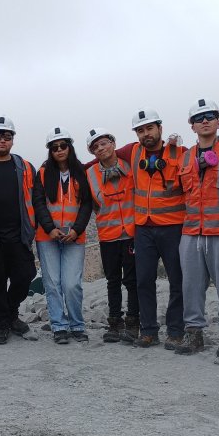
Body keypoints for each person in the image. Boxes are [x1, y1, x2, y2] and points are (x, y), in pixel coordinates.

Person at [175, 98, 219, 360]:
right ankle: (194, 332)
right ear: (192, 126)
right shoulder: (183, 158)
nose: (205, 121)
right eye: (199, 118)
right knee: (191, 284)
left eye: (210, 116)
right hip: (192, 231)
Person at [128, 108, 186, 350]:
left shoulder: (181, 152)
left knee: (177, 281)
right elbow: (105, 155)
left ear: (160, 128)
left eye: (149, 128)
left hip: (173, 228)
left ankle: (176, 330)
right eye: (140, 130)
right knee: (143, 281)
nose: (145, 134)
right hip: (144, 228)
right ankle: (149, 330)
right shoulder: (133, 152)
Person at [32, 127, 92, 344]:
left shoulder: (82, 172)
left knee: (71, 284)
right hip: (48, 237)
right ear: (50, 150)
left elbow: (86, 204)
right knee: (53, 283)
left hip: (74, 237)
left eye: (63, 145)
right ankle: (59, 326)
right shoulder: (43, 173)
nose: (59, 150)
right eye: (54, 147)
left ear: (70, 147)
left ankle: (77, 324)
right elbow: (38, 203)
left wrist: (76, 230)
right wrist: (50, 228)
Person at [0, 116, 37, 345]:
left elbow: (36, 197)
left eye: (7, 136)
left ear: (13, 140)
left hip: (19, 235)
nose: (2, 141)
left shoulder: (24, 166)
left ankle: (10, 312)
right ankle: (3, 322)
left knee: (25, 276)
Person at [84, 128, 138, 343]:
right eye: (95, 147)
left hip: (132, 233)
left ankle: (134, 322)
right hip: (108, 235)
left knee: (132, 281)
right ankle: (115, 322)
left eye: (104, 143)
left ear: (113, 144)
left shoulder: (130, 165)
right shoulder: (90, 174)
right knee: (113, 281)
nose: (101, 148)